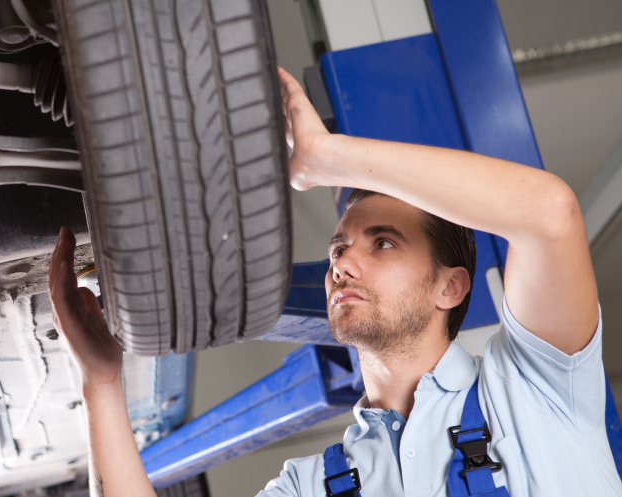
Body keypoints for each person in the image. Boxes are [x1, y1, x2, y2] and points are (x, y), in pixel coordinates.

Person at [46, 66, 621, 497]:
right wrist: (99, 383)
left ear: (451, 287)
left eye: (383, 243)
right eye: (338, 248)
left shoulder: (538, 386)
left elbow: (549, 214)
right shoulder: (313, 485)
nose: (342, 263)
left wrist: (329, 159)